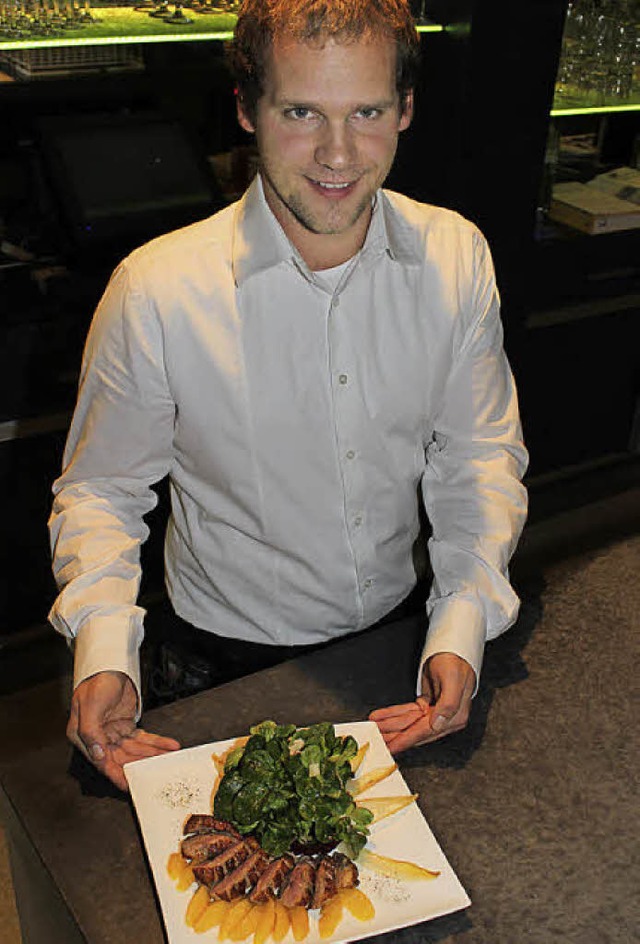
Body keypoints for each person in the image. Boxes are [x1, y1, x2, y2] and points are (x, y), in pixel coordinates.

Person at [48, 0, 528, 792]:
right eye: (302, 110)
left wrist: (461, 624)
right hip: (215, 663)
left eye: (366, 111)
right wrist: (104, 648)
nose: (337, 154)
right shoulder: (155, 290)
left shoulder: (456, 255)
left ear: (406, 109)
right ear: (246, 109)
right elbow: (101, 490)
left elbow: (477, 457)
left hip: (401, 639)